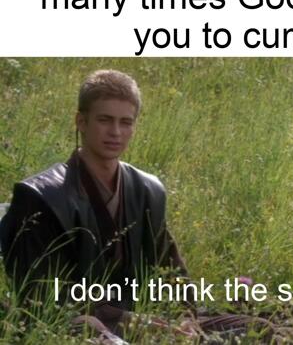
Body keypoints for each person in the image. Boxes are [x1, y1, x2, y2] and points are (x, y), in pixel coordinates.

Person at [0, 70, 189, 341]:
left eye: (125, 122)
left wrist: (186, 318)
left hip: (141, 318)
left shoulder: (146, 190)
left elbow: (171, 270)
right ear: (81, 121)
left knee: (248, 327)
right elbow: (42, 295)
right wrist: (133, 322)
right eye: (104, 120)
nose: (115, 132)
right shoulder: (41, 197)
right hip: (77, 322)